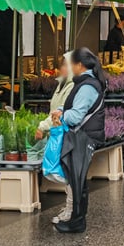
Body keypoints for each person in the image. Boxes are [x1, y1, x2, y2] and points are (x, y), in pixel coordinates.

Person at [52, 48, 106, 233]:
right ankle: (77, 219)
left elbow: (76, 115)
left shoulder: (87, 86)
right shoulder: (85, 83)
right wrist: (61, 109)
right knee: (77, 179)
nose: (69, 67)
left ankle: (77, 221)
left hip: (82, 137)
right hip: (82, 136)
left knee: (77, 179)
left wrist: (62, 115)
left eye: (72, 63)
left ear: (79, 65)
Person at [34, 52, 75, 224]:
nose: (62, 69)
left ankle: (71, 210)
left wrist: (43, 126)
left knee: (69, 173)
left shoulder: (72, 87)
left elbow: (59, 112)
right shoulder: (61, 85)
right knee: (67, 173)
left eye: (66, 65)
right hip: (60, 134)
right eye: (61, 66)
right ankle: (70, 208)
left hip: (68, 135)